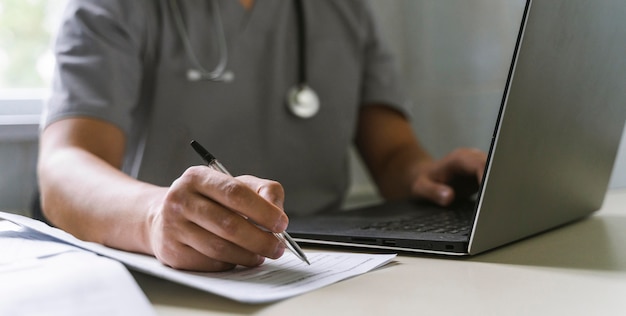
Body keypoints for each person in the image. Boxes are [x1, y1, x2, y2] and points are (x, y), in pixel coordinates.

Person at [37, 0, 486, 272]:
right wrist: (155, 217)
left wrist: (427, 177)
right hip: (182, 277)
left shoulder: (345, 9)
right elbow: (63, 169)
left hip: (335, 270)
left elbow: (393, 155)